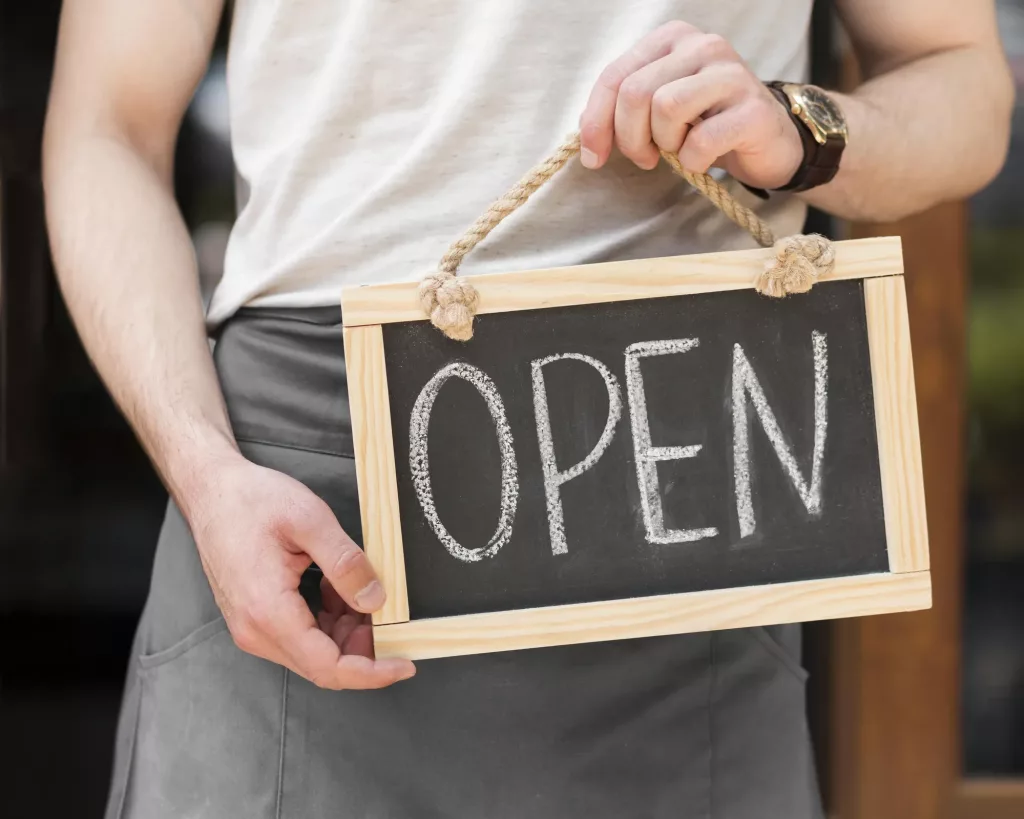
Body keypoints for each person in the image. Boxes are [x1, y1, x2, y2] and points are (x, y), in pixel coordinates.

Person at [43, 1, 1012, 817]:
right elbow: (107, 126)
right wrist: (207, 473)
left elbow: (961, 82)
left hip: (684, 501)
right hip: (298, 528)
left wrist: (801, 130)